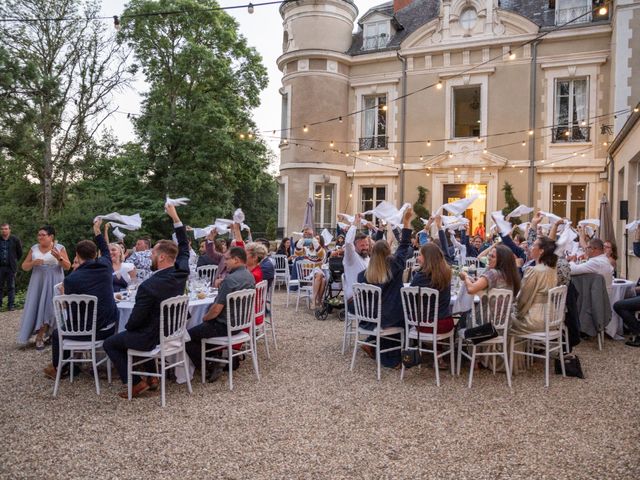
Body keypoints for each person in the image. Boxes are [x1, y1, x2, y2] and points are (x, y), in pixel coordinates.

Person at [103, 204, 190, 399]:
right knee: (137, 331)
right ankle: (152, 378)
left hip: (154, 337)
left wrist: (129, 326)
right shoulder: (181, 272)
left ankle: (135, 382)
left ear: (161, 257)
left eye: (152, 254)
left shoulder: (148, 286)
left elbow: (136, 320)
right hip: (173, 331)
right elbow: (184, 247)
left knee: (111, 342)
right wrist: (175, 218)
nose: (149, 256)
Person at [43, 219, 119, 379]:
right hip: (110, 328)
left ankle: (59, 368)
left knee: (58, 333)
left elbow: (69, 309)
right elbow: (105, 249)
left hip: (88, 332)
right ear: (94, 254)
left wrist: (64, 295)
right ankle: (71, 366)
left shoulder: (72, 279)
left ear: (77, 255)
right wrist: (97, 229)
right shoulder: (106, 266)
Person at [185, 246, 255, 381]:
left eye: (227, 259)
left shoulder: (230, 280)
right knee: (202, 330)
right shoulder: (249, 276)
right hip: (239, 324)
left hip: (224, 325)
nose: (225, 262)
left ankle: (210, 365)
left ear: (236, 260)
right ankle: (220, 359)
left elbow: (216, 309)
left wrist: (205, 318)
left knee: (187, 336)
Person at [357, 207, 414, 367]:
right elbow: (404, 246)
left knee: (398, 313)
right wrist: (406, 221)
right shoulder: (393, 266)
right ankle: (392, 357)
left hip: (368, 318)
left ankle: (371, 341)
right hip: (389, 318)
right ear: (389, 252)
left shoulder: (363, 274)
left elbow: (402, 247)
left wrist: (381, 230)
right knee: (408, 318)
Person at [18, 225, 71, 349]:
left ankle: (43, 335)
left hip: (55, 280)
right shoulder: (34, 248)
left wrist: (59, 257)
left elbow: (68, 266)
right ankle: (43, 335)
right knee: (38, 306)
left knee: (51, 307)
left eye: (43, 235)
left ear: (51, 236)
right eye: (39, 235)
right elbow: (24, 266)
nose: (40, 237)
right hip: (38, 282)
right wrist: (32, 263)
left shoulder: (59, 248)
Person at [511, 237, 559, 334]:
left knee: (502, 319)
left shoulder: (534, 271)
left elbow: (523, 299)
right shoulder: (553, 270)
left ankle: (501, 348)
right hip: (552, 318)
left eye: (533, 245)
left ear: (541, 251)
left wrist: (514, 309)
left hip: (535, 320)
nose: (530, 248)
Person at [410, 243, 454, 334]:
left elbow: (410, 301)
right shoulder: (446, 274)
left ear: (427, 258)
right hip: (446, 322)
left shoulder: (421, 277)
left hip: (427, 324)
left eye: (420, 255)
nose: (418, 258)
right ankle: (438, 347)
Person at [339, 213, 371, 307]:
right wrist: (355, 224)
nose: (365, 247)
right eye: (362, 245)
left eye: (366, 245)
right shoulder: (351, 257)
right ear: (355, 246)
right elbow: (348, 242)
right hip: (354, 300)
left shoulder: (367, 257)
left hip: (367, 296)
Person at [0, 223, 23, 311]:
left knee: (11, 287)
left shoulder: (15, 239)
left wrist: (13, 260)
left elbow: (19, 253)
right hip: (0, 267)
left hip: (11, 267)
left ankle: (11, 305)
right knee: (0, 287)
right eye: (2, 229)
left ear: (9, 230)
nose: (4, 230)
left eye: (6, 229)